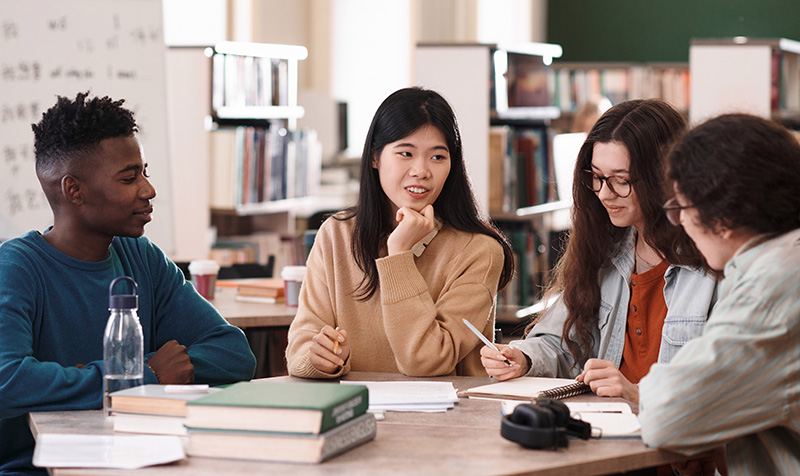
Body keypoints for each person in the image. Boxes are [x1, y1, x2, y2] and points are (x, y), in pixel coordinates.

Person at [0, 92, 256, 474]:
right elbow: (9, 382)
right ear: (74, 190)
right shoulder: (17, 267)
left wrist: (87, 378)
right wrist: (141, 377)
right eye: (129, 177)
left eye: (144, 172)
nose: (148, 190)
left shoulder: (142, 258)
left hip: (145, 460)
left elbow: (233, 354)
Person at [481, 99, 717, 405]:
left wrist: (638, 395)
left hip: (676, 442)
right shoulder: (604, 248)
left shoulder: (714, 263)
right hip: (608, 433)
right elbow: (560, 341)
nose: (605, 193)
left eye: (621, 180)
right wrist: (523, 357)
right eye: (596, 177)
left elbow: (725, 391)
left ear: (663, 177)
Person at [285, 87, 515, 379]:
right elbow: (301, 348)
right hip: (356, 409)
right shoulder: (336, 235)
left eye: (437, 157)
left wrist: (399, 255)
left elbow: (426, 361)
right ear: (375, 158)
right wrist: (319, 358)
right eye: (406, 153)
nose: (421, 170)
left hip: (448, 419)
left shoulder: (479, 251)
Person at [639, 114, 800, 475]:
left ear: (723, 216)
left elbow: (667, 415)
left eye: (681, 207)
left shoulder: (769, 291)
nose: (678, 222)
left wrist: (655, 386)